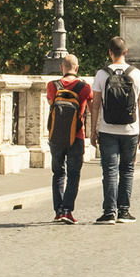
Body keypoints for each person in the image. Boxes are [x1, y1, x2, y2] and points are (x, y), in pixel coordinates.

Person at [90, 37, 140, 224]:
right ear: (126, 52)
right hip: (131, 129)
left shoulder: (101, 74)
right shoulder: (137, 74)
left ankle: (109, 212)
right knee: (127, 170)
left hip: (108, 129)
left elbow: (95, 104)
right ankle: (124, 211)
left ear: (110, 53)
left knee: (110, 170)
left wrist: (93, 129)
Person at [43, 53, 92, 224]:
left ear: (61, 68)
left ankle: (58, 211)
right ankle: (67, 210)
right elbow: (90, 106)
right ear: (77, 68)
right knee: (74, 173)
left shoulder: (52, 85)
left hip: (56, 136)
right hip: (76, 135)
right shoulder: (84, 87)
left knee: (58, 173)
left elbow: (51, 103)